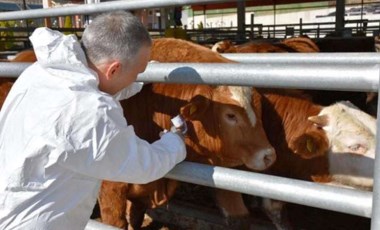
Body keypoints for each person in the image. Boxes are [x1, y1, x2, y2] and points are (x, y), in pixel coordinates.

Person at [0, 11, 186, 230]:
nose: (138, 77)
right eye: (138, 72)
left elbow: (91, 90)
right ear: (114, 69)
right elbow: (142, 165)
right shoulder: (90, 112)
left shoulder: (42, 72)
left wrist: (135, 84)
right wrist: (175, 142)